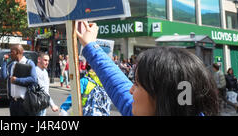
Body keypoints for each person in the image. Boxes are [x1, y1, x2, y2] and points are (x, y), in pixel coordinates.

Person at [76, 20, 219, 116]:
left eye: (137, 84)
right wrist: (90, 45)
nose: (130, 89)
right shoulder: (150, 109)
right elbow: (117, 83)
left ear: (163, 97)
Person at [1, 44, 38, 116]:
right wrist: (4, 61)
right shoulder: (12, 64)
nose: (9, 54)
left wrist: (17, 80)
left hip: (24, 102)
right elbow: (4, 76)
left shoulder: (29, 63)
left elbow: (34, 79)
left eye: (11, 52)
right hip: (13, 102)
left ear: (17, 52)